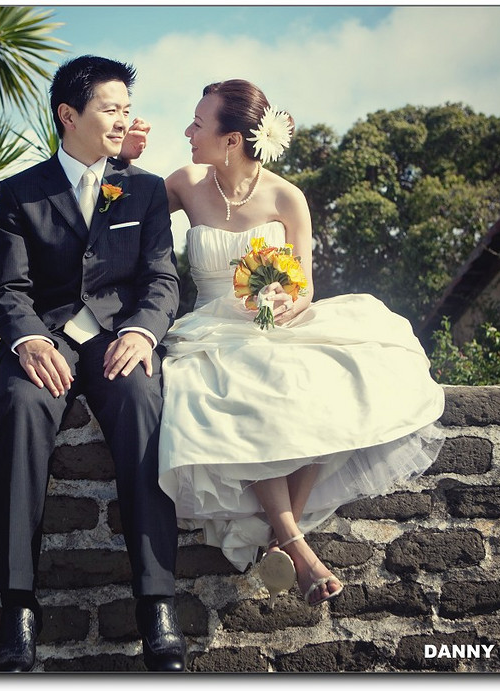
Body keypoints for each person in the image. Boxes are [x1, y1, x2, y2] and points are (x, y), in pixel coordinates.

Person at [155, 80, 446, 607]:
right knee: (251, 382)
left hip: (275, 323)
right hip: (210, 330)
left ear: (233, 140)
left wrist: (284, 302)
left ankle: (282, 536)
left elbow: (305, 285)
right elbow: (126, 207)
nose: (188, 132)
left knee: (324, 377)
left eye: (198, 124)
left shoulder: (286, 196)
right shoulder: (185, 182)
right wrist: (124, 158)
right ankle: (293, 542)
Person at [0, 55, 185, 672]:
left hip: (119, 337)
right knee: (21, 405)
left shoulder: (146, 189)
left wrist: (145, 333)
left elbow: (161, 280)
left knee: (144, 402)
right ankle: (18, 606)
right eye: (110, 109)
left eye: (127, 109)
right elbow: (7, 289)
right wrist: (27, 341)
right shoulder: (20, 192)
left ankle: (157, 603)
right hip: (47, 337)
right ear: (68, 115)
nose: (123, 120)